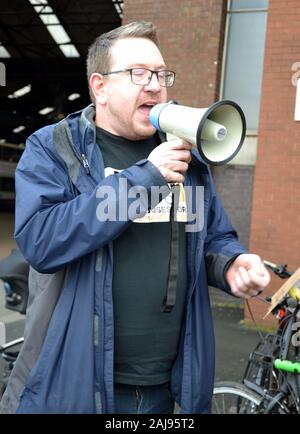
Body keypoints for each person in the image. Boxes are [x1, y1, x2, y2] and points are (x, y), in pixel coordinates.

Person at [0, 21, 270, 414]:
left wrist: (232, 264)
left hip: (168, 390)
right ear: (100, 87)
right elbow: (42, 241)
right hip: (80, 384)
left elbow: (210, 239)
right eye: (138, 73)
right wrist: (143, 179)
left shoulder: (185, 158)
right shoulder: (54, 148)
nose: (156, 84)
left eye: (162, 74)